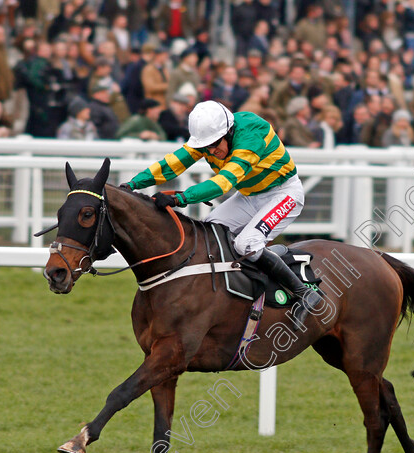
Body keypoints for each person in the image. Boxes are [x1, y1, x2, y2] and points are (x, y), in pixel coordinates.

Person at [120, 100, 324, 328]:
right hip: (249, 195)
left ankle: (304, 293)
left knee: (247, 244)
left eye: (215, 145)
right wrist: (132, 184)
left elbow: (225, 182)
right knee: (209, 232)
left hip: (284, 194)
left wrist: (181, 198)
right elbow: (173, 163)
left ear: (229, 132)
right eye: (205, 147)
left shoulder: (252, 133)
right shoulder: (211, 135)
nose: (211, 151)